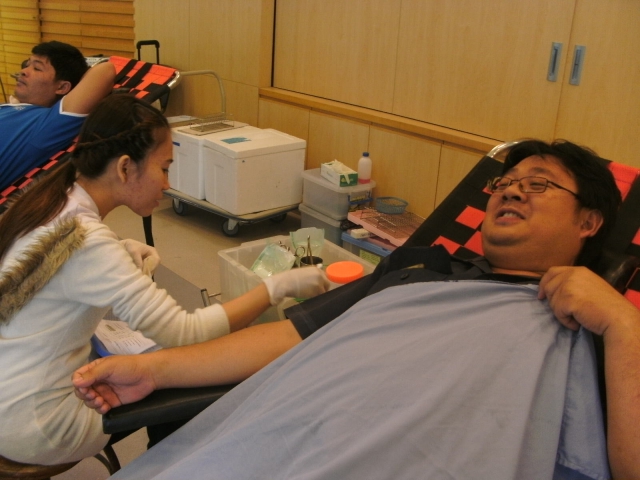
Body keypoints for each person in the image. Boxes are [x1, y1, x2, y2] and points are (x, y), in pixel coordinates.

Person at [73, 140, 640, 479]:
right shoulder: (421, 268)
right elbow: (289, 337)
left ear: (589, 222)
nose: (511, 191)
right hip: (290, 442)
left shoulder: (597, 330)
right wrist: (154, 369)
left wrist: (620, 323)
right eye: (507, 182)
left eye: (539, 185)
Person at [0, 94, 329, 466]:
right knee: (198, 376)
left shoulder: (51, 202)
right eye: (164, 168)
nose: (168, 184)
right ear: (126, 167)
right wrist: (274, 288)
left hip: (9, 396)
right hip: (41, 426)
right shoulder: (90, 243)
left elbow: (57, 277)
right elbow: (184, 333)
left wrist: (120, 251)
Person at [0, 40, 116, 191]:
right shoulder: (15, 109)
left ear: (62, 87)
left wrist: (76, 65)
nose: (24, 71)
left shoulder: (49, 125)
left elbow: (105, 70)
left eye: (37, 68)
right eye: (27, 65)